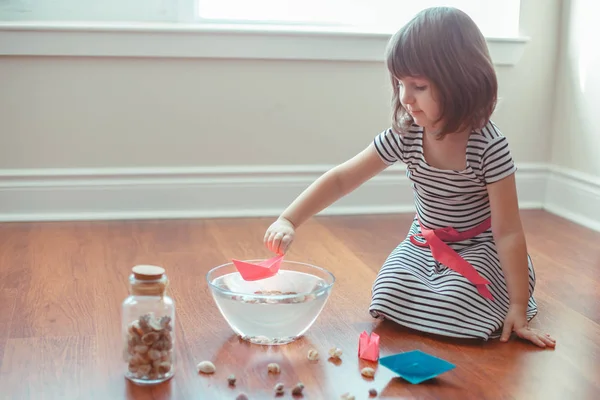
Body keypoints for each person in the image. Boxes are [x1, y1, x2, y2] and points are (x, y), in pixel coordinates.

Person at [263, 6, 556, 348]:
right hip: (424, 243)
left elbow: (507, 232)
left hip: (479, 248)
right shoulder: (407, 134)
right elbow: (343, 179)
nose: (405, 97)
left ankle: (490, 299)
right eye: (400, 83)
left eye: (418, 86)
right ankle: (439, 304)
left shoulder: (489, 147)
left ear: (462, 83)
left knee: (462, 300)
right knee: (387, 290)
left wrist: (519, 305)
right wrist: (289, 219)